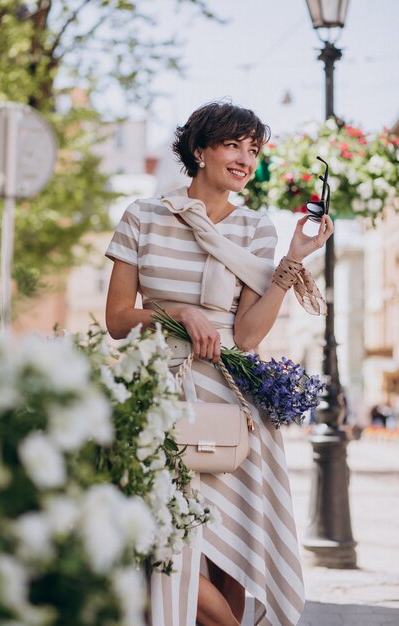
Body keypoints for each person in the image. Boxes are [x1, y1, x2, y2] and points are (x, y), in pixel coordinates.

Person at [105, 101, 333, 626]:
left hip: (231, 397)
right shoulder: (143, 215)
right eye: (233, 145)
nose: (245, 159)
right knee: (161, 539)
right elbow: (117, 318)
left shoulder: (257, 228)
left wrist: (294, 259)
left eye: (253, 149)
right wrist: (179, 312)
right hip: (159, 394)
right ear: (200, 149)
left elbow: (249, 335)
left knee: (231, 548)